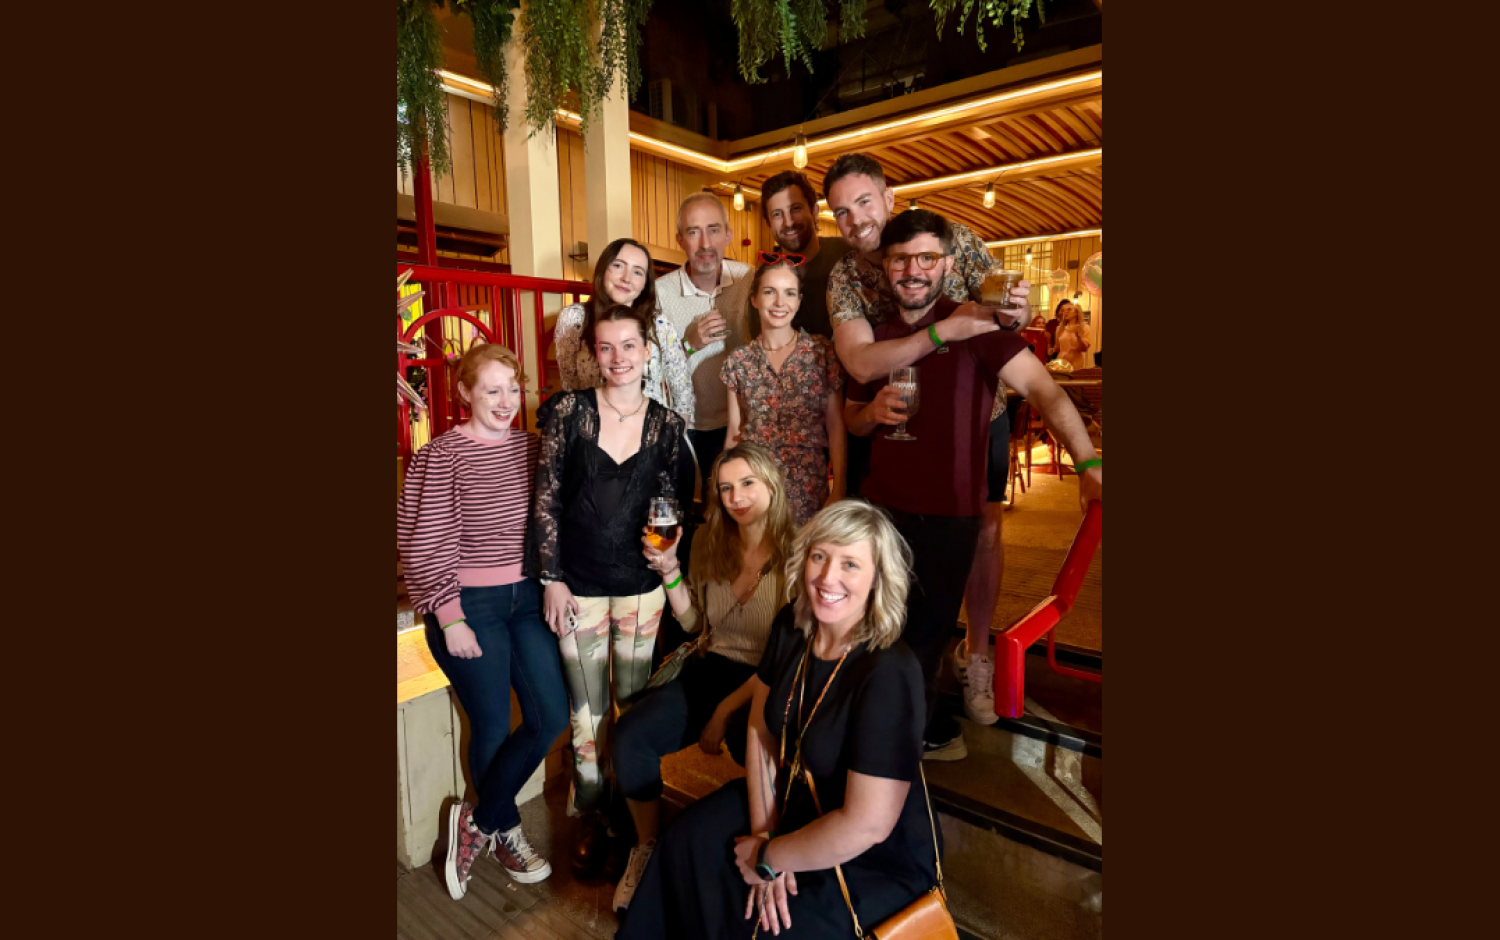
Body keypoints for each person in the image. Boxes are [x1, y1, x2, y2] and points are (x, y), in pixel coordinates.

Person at [844, 210, 1103, 762]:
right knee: (878, 631)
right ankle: (903, 732)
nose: (913, 270)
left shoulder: (978, 327)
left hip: (948, 513)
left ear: (948, 263)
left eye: (926, 258)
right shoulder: (878, 336)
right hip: (879, 511)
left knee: (923, 637)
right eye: (900, 259)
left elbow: (1046, 391)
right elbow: (851, 419)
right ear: (884, 267)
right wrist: (871, 412)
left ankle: (902, 749)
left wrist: (1085, 464)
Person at [618, 501, 939, 940]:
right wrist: (763, 830)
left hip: (872, 853)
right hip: (793, 800)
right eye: (820, 556)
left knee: (772, 925)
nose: (828, 578)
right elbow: (759, 728)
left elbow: (868, 824)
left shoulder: (890, 671)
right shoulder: (793, 623)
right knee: (688, 843)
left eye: (850, 564)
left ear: (878, 580)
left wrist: (773, 856)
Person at [530, 304, 697, 877]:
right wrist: (550, 579)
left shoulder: (669, 426)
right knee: (586, 712)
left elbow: (677, 503)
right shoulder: (570, 413)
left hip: (641, 589)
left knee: (630, 711)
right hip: (576, 588)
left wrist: (669, 554)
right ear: (592, 353)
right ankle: (592, 813)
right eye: (606, 347)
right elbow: (546, 499)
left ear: (648, 351)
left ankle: (631, 816)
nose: (619, 358)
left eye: (629, 346)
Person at [398, 343, 569, 899]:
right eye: (491, 389)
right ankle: (505, 828)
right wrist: (450, 617)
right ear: (464, 393)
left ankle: (478, 823)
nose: (505, 401)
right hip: (470, 607)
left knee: (550, 717)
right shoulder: (440, 455)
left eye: (513, 389)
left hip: (527, 600)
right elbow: (420, 542)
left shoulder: (533, 447)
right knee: (493, 726)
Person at [610, 443, 799, 911]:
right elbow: (696, 625)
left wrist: (723, 711)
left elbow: (787, 658)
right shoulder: (709, 544)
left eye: (749, 483)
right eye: (726, 488)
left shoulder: (798, 554)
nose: (737, 497)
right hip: (710, 668)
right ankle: (646, 846)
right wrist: (670, 569)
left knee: (748, 740)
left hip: (765, 681)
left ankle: (777, 847)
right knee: (631, 736)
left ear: (772, 485)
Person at [821, 152, 1026, 501]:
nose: (856, 219)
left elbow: (1013, 314)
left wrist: (1016, 313)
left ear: (888, 199)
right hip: (900, 420)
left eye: (864, 202)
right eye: (842, 212)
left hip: (979, 412)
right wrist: (942, 331)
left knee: (987, 531)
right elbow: (860, 363)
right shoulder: (844, 276)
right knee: (899, 523)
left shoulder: (952, 239)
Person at [722, 256, 847, 526]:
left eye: (789, 293)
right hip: (755, 487)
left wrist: (839, 490)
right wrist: (723, 493)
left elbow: (836, 426)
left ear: (799, 301)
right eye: (770, 292)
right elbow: (734, 432)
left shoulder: (821, 351)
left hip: (809, 488)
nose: (780, 303)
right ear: (754, 299)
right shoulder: (738, 361)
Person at [654, 193, 755, 489]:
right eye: (693, 232)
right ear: (679, 240)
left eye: (713, 230)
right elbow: (650, 370)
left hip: (741, 422)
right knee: (683, 510)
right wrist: (688, 345)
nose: (705, 244)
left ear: (728, 235)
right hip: (684, 424)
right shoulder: (661, 292)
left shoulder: (749, 279)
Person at [553, 237, 695, 423]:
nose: (626, 278)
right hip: (594, 430)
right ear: (603, 269)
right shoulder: (574, 318)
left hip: (651, 431)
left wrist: (674, 437)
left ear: (645, 282)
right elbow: (569, 381)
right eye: (618, 266)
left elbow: (681, 388)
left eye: (638, 272)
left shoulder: (658, 324)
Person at [758, 169, 849, 338]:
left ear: (814, 211)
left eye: (796, 208)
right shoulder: (765, 277)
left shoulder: (847, 253)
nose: (788, 222)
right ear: (769, 223)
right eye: (777, 214)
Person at [1055, 299, 1093, 369]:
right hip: (1061, 361)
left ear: (1076, 312)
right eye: (1064, 310)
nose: (1066, 312)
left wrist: (1079, 337)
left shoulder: (1084, 327)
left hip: (1076, 361)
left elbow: (1085, 348)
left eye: (1069, 310)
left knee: (1075, 378)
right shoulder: (1060, 328)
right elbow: (1057, 348)